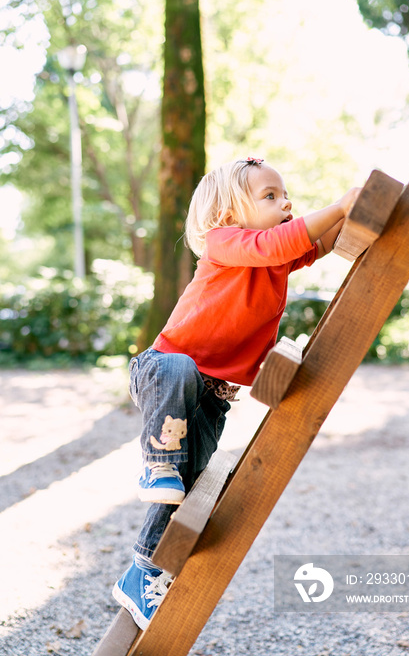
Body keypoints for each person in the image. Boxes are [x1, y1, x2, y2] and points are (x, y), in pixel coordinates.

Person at [112, 156, 361, 629]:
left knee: (180, 492)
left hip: (210, 399)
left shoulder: (275, 259)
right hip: (164, 372)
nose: (285, 202)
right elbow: (282, 242)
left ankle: (142, 571)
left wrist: (355, 213)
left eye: (285, 195)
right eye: (270, 196)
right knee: (182, 375)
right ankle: (156, 461)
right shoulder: (224, 242)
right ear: (228, 213)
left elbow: (316, 244)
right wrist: (337, 206)